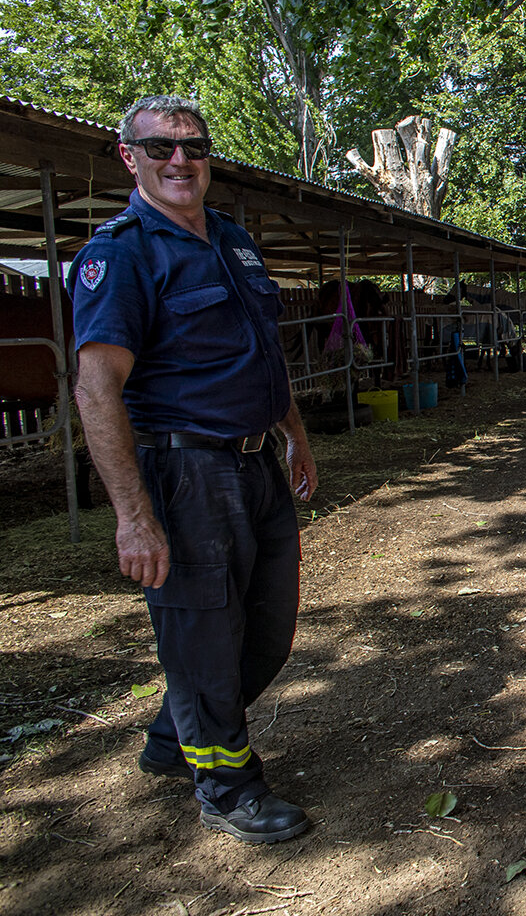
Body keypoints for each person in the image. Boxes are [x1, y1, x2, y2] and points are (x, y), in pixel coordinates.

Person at [68, 95, 318, 844]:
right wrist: (134, 515)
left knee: (267, 634)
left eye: (194, 147)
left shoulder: (234, 241)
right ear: (129, 157)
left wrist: (295, 436)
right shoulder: (120, 253)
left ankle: (172, 737)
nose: (180, 161)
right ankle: (226, 786)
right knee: (204, 641)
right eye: (160, 148)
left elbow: (263, 357)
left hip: (255, 467)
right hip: (185, 475)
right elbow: (96, 387)